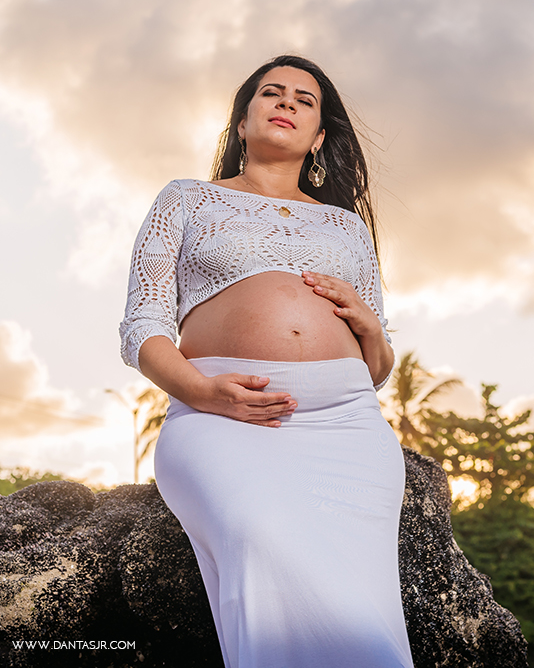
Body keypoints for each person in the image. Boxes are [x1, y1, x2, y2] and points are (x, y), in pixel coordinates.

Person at [119, 54, 414, 668]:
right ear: (243, 121)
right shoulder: (186, 200)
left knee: (358, 600)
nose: (287, 103)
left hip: (346, 426)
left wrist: (364, 320)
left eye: (304, 101)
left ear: (319, 137)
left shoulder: (346, 227)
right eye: (271, 93)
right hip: (223, 418)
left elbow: (378, 365)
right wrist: (203, 394)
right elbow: (142, 328)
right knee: (260, 536)